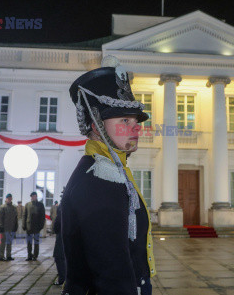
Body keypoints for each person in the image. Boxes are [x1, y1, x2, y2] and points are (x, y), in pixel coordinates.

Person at [61, 59, 155, 295]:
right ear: (96, 125)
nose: (136, 128)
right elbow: (111, 274)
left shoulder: (111, 171)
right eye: (124, 120)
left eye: (136, 121)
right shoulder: (99, 181)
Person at [23, 192, 45, 261]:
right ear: (31, 197)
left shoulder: (40, 205)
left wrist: (41, 225)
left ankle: (35, 256)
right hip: (29, 226)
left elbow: (42, 216)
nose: (33, 197)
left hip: (37, 226)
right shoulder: (27, 205)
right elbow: (24, 215)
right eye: (32, 196)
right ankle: (29, 255)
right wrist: (24, 225)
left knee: (36, 242)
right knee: (29, 242)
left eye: (34, 196)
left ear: (36, 197)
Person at [0, 193, 18, 261]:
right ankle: (1, 256)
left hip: (11, 228)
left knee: (9, 242)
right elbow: (0, 218)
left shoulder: (14, 207)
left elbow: (15, 218)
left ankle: (8, 255)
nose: (9, 199)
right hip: (4, 227)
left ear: (11, 199)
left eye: (10, 198)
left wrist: (15, 226)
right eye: (8, 198)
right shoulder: (2, 207)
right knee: (3, 242)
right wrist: (1, 226)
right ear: (6, 199)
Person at [52, 203, 65, 286]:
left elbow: (58, 221)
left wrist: (55, 229)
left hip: (62, 234)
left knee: (59, 257)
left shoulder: (63, 205)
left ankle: (62, 279)